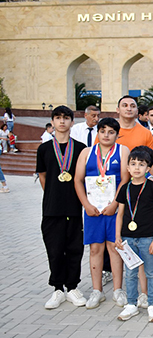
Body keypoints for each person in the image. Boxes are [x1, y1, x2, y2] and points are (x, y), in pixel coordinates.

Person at [74, 117, 130, 309]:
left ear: (117, 134)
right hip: (93, 210)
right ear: (97, 132)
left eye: (111, 132)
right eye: (103, 131)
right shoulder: (86, 152)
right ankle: (97, 291)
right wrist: (86, 205)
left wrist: (115, 203)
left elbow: (125, 179)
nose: (106, 135)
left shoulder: (122, 151)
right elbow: (78, 180)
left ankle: (118, 290)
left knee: (115, 247)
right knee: (95, 249)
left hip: (114, 209)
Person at [36, 106, 87, 309]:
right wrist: (53, 195)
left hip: (74, 207)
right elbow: (43, 176)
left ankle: (72, 287)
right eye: (58, 118)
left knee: (74, 249)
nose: (62, 121)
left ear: (72, 122)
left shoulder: (81, 148)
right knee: (55, 250)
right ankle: (57, 289)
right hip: (52, 208)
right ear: (52, 122)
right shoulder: (44, 149)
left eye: (66, 118)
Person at [114, 148, 153, 322]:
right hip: (128, 239)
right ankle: (131, 304)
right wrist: (118, 236)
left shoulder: (152, 187)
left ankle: (152, 304)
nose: (137, 168)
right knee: (130, 273)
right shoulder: (124, 188)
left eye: (141, 165)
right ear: (127, 168)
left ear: (148, 168)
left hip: (147, 238)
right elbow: (120, 215)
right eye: (133, 164)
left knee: (151, 272)